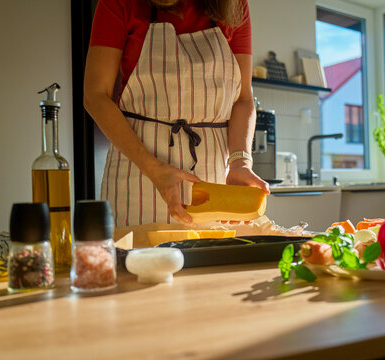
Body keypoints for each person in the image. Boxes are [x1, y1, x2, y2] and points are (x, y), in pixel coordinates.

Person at [84, 0, 269, 227]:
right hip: (137, 175)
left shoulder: (233, 5)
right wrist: (153, 169)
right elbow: (95, 95)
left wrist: (240, 162)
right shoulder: (119, 3)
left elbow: (243, 99)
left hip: (212, 182)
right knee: (135, 259)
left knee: (215, 260)